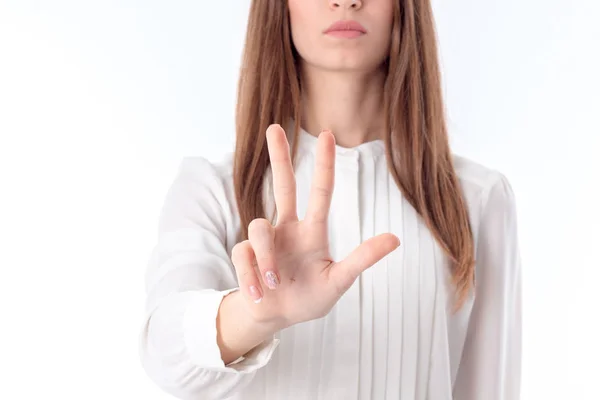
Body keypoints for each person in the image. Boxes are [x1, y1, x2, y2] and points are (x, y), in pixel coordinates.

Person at [138, 0, 522, 399]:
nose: (346, 1)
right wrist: (253, 314)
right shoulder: (210, 188)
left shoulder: (477, 198)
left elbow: (490, 387)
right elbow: (167, 354)